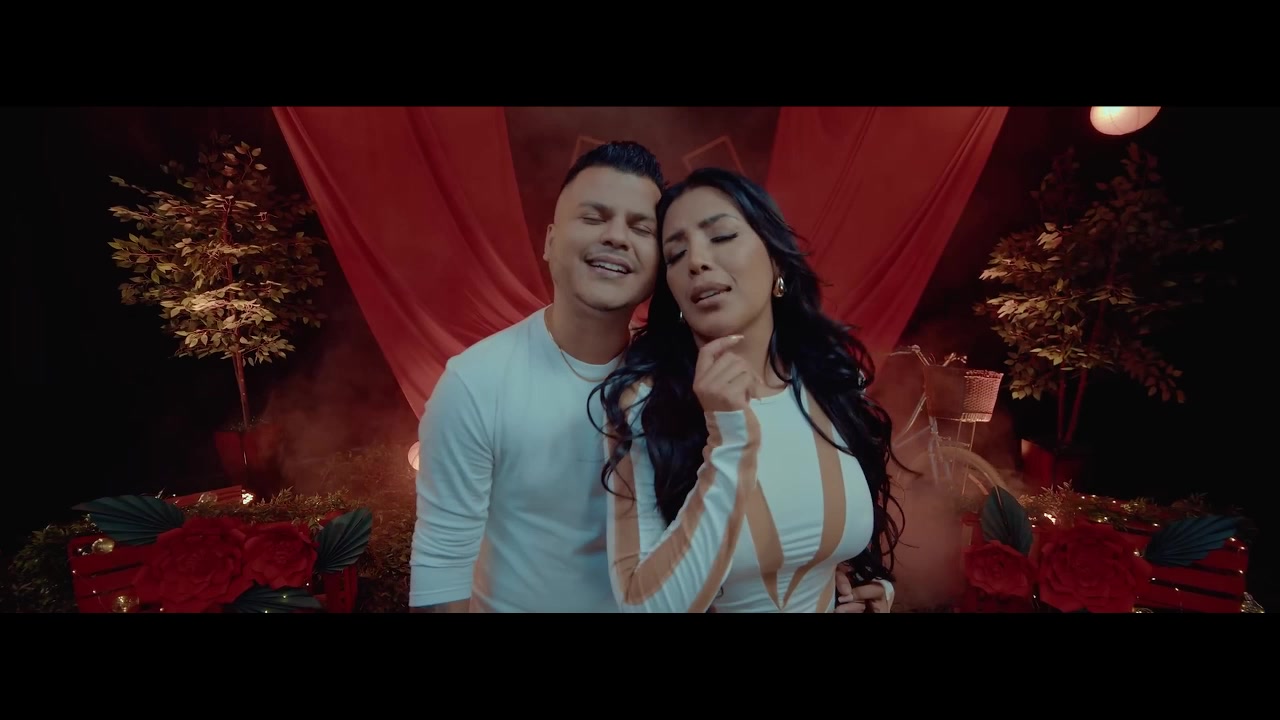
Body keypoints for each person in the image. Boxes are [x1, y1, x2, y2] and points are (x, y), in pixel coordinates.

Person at [410, 143, 863, 613]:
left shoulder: (687, 380)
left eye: (641, 228)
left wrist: (826, 575)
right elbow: (440, 574)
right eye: (593, 218)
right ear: (549, 241)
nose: (616, 238)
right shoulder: (476, 383)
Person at [593, 166, 904, 613]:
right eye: (676, 254)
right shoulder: (644, 404)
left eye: (721, 237)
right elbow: (643, 606)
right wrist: (729, 438)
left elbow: (834, 547)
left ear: (776, 261)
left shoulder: (829, 381)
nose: (697, 261)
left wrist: (870, 593)